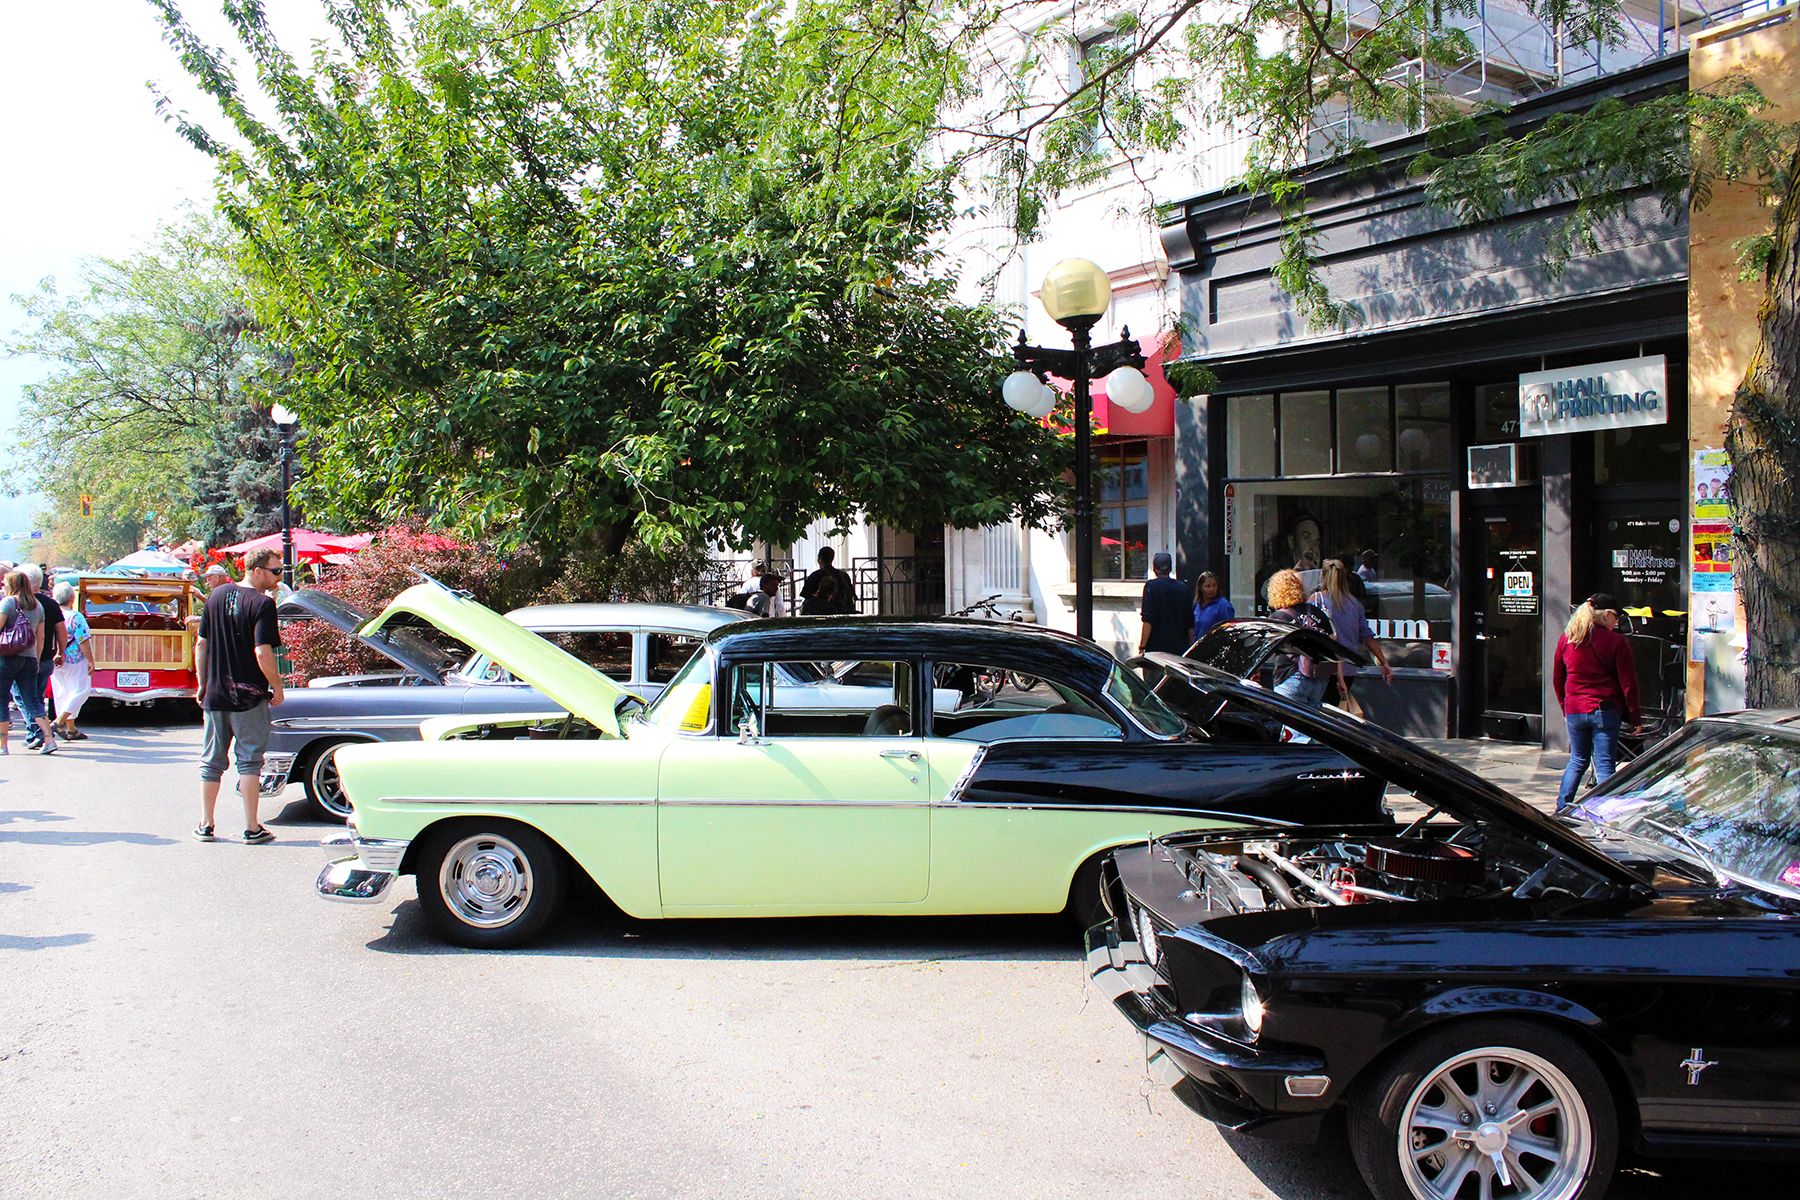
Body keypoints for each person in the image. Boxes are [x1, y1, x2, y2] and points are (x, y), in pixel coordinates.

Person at [194, 548, 286, 844]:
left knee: (211, 761)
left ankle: (206, 824)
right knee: (249, 761)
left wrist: (202, 684)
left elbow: (201, 644)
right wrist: (277, 686)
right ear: (257, 571)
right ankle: (251, 827)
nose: (279, 577)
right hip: (248, 696)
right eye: (275, 571)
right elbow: (262, 651)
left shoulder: (216, 596)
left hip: (216, 694)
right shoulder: (262, 604)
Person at [1554, 592, 1642, 812]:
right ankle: (1605, 813)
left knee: (1577, 761)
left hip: (1575, 710)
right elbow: (1628, 683)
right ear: (1607, 615)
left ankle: (1561, 809)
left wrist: (1565, 707)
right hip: (1604, 711)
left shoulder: (1568, 638)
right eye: (1617, 617)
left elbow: (1558, 677)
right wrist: (1635, 717)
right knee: (1604, 764)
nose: (1617, 623)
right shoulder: (1616, 642)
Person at [1310, 558, 1393, 710]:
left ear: (1322, 576)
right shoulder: (1355, 604)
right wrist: (1383, 661)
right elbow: (1366, 636)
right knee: (1336, 712)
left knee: (1316, 714)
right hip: (1348, 669)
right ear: (1344, 578)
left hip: (1321, 668)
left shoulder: (1316, 601)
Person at [1, 570, 59, 754]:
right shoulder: (37, 606)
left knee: (1, 700)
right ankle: (49, 740)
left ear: (13, 585)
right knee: (33, 700)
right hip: (30, 659)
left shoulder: (8, 602)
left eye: (5, 583)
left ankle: (2, 745)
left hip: (7, 657)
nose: (3, 585)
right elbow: (40, 637)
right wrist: (36, 659)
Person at [1265, 568, 1337, 709]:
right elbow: (1332, 642)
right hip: (1319, 679)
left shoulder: (1278, 617)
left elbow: (1266, 648)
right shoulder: (1316, 613)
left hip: (1291, 677)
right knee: (1309, 721)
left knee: (1288, 721)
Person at [15, 565, 65, 751]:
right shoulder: (51, 603)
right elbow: (61, 630)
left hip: (22, 657)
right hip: (45, 658)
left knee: (23, 697)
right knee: (36, 697)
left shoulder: (18, 603)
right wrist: (61, 652)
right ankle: (35, 733)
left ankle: (38, 732)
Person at [50, 581, 93, 741]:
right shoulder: (75, 617)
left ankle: (71, 729)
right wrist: (90, 660)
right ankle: (59, 722)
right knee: (81, 691)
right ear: (72, 598)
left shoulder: (51, 615)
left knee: (62, 692)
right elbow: (83, 640)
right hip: (74, 658)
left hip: (55, 658)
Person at [1137, 552, 1192, 656]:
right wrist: (1190, 648)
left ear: (1154, 569)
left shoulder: (1151, 587)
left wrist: (1142, 646)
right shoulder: (1183, 588)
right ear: (1170, 569)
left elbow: (1148, 620)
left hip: (1156, 649)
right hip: (1180, 648)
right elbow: (1190, 622)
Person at [800, 547, 857, 615]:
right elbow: (852, 595)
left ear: (819, 559)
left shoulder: (815, 576)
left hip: (821, 614)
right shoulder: (844, 576)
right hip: (843, 614)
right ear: (832, 559)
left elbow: (805, 594)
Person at [1191, 571, 1234, 643]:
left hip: (1214, 645)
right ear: (1200, 588)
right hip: (1198, 645)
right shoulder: (1197, 604)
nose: (1211, 589)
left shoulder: (1223, 605)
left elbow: (1228, 630)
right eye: (1207, 586)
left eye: (1214, 586)